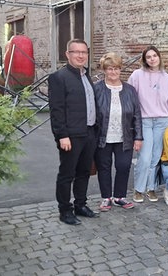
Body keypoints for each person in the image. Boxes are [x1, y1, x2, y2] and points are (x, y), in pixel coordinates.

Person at [48, 39, 99, 225]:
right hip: (71, 136)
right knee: (67, 174)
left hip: (90, 133)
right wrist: (62, 135)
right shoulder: (58, 77)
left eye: (84, 52)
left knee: (84, 172)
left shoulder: (86, 76)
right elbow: (57, 110)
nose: (80, 55)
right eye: (76, 52)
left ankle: (80, 205)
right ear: (67, 54)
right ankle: (65, 210)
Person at [93, 52, 143, 212]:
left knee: (123, 166)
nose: (113, 72)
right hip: (102, 136)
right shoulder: (97, 89)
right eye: (109, 69)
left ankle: (119, 196)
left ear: (120, 70)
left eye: (116, 69)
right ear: (104, 70)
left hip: (125, 137)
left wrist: (138, 137)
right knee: (104, 167)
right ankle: (106, 197)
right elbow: (91, 113)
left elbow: (137, 114)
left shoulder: (130, 90)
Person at [127, 46, 168, 203]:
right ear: (144, 59)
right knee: (145, 157)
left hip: (162, 121)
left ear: (159, 57)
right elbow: (130, 96)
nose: (152, 59)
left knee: (155, 157)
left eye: (155, 55)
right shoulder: (137, 75)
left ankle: (151, 188)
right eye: (148, 57)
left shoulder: (167, 78)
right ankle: (138, 189)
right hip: (145, 121)